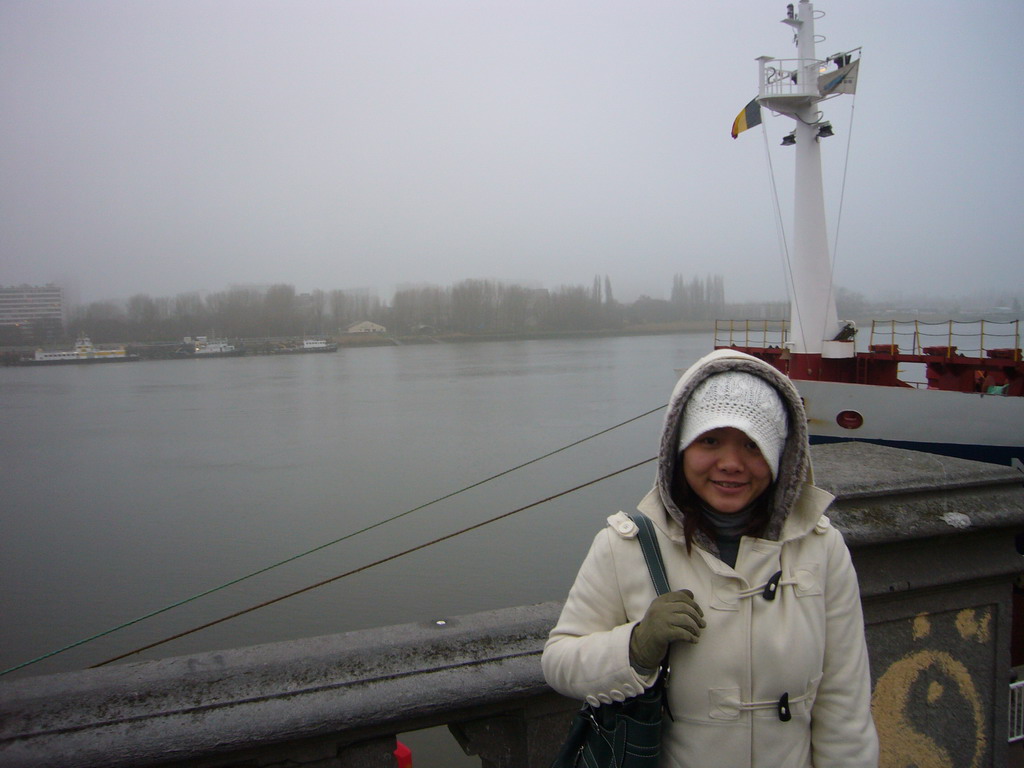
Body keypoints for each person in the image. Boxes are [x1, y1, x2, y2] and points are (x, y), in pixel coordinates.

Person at [542, 349, 878, 767]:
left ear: (780, 456)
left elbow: (845, 708)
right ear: (678, 448)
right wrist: (637, 644)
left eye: (753, 444)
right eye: (710, 440)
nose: (731, 464)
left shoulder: (821, 548)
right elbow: (559, 662)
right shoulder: (624, 545)